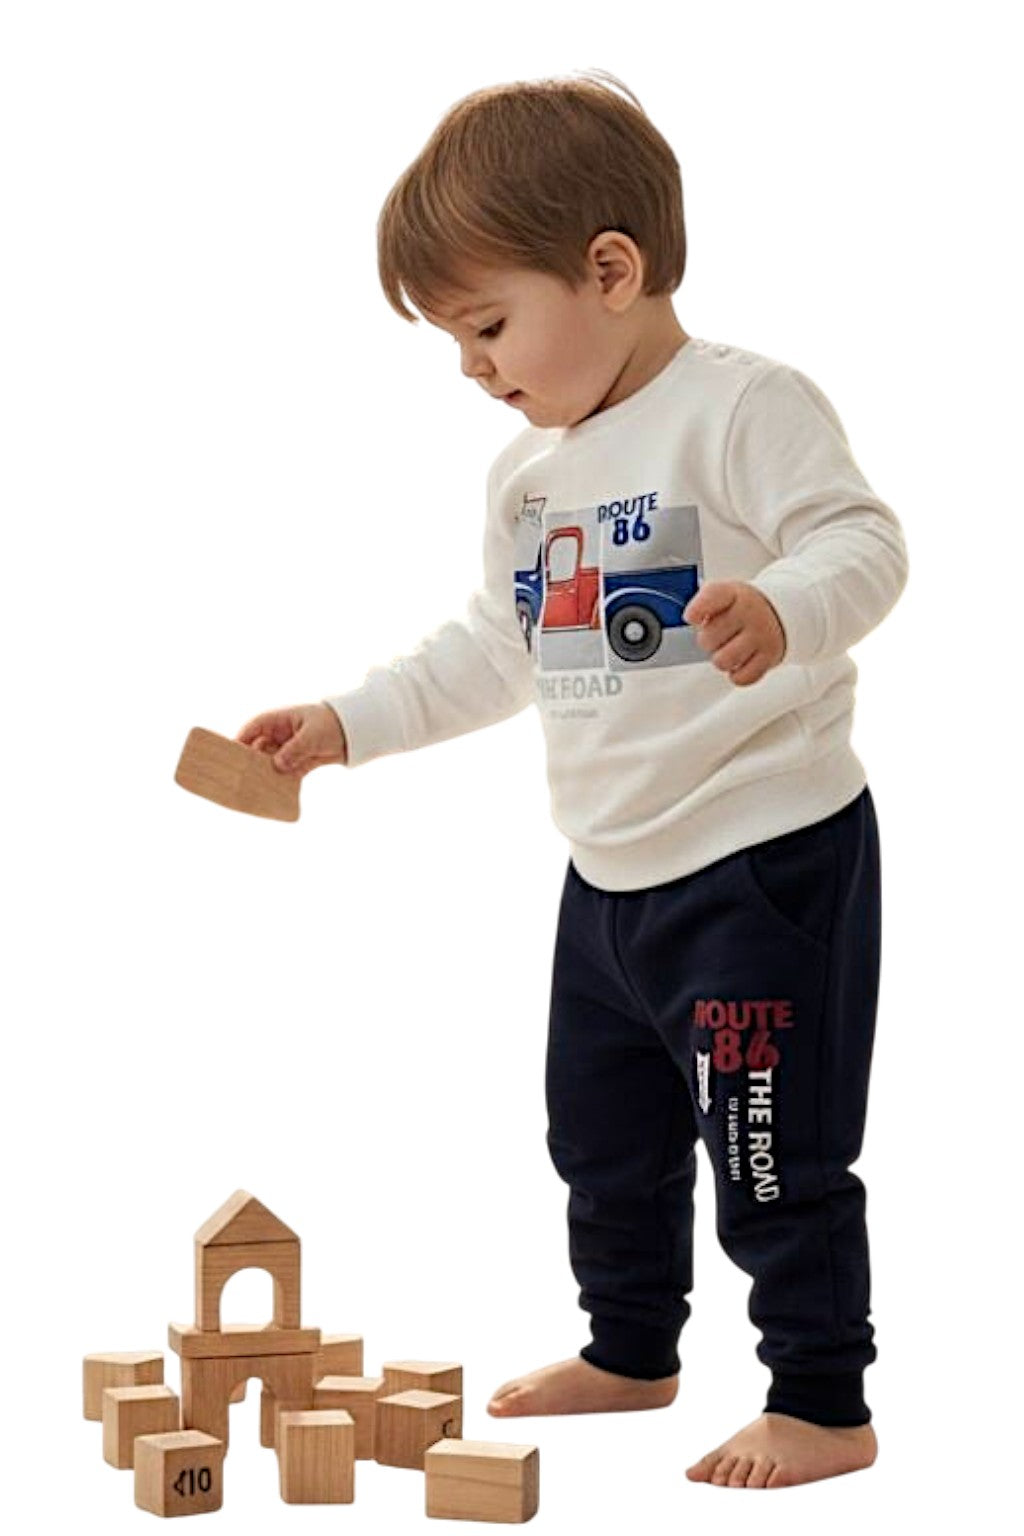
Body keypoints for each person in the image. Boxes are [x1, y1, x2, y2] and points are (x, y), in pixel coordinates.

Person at [236, 70, 909, 1491]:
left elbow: (862, 540)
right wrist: (346, 724)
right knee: (603, 1137)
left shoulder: (743, 407)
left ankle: (821, 1401)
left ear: (610, 270)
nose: (473, 369)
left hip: (760, 862)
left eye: (488, 326)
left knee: (768, 1146)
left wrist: (786, 607)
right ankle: (631, 1349)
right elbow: (500, 646)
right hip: (606, 876)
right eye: (454, 341)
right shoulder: (528, 480)